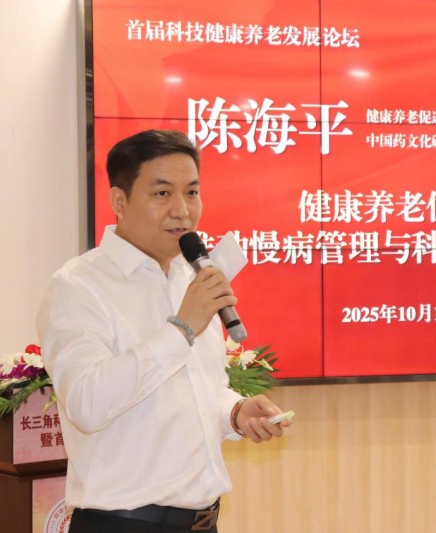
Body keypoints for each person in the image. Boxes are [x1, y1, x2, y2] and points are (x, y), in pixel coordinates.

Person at [36, 129, 291, 533]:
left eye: (192, 192)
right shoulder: (79, 286)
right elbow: (86, 404)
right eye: (162, 193)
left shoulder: (189, 278)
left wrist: (234, 412)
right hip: (124, 525)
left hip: (202, 522)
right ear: (119, 201)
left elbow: (194, 391)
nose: (182, 210)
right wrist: (182, 328)